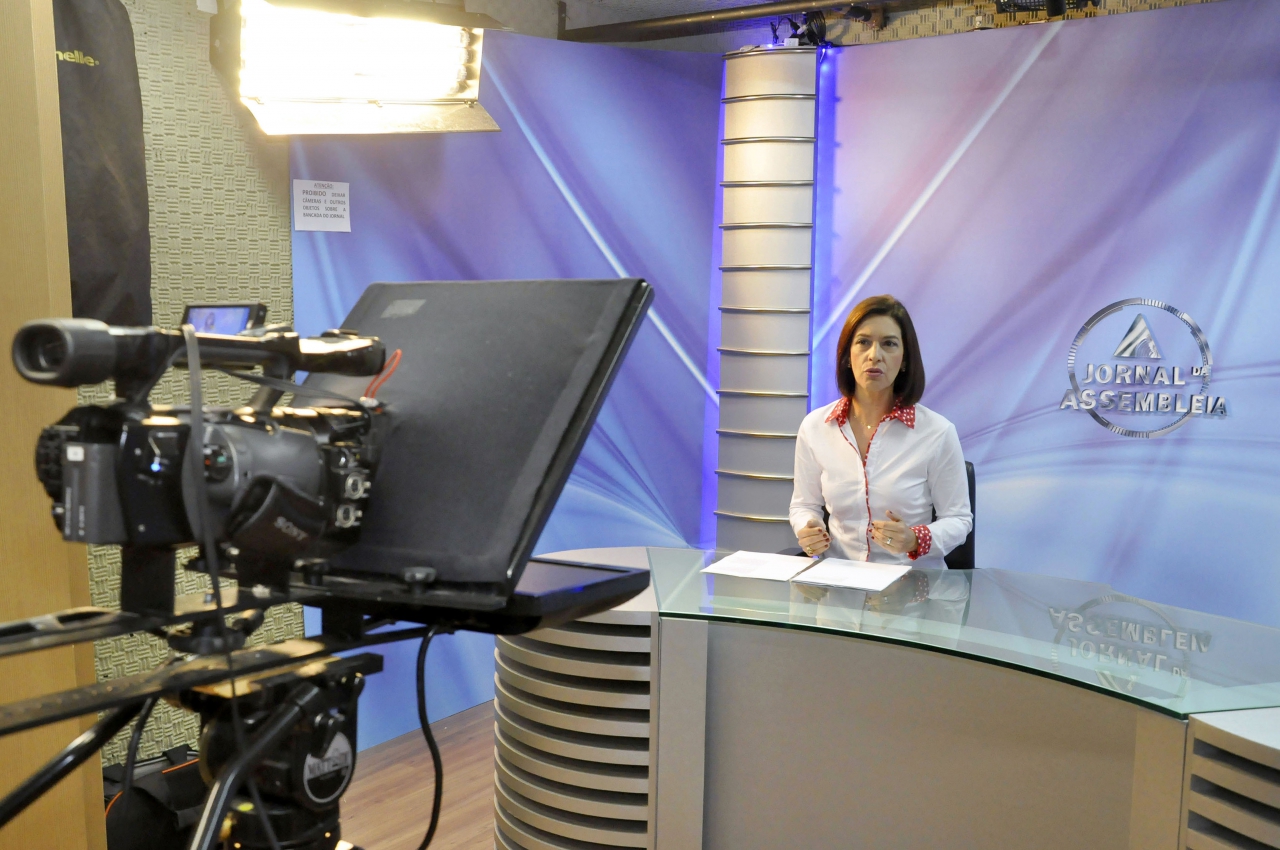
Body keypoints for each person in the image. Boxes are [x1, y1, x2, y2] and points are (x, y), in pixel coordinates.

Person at [790, 295, 972, 566]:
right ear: (847, 356)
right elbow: (803, 505)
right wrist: (809, 528)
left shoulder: (937, 432)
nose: (874, 355)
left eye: (889, 344)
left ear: (905, 360)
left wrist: (915, 539)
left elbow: (959, 519)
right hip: (838, 581)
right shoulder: (815, 427)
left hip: (913, 585)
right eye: (863, 342)